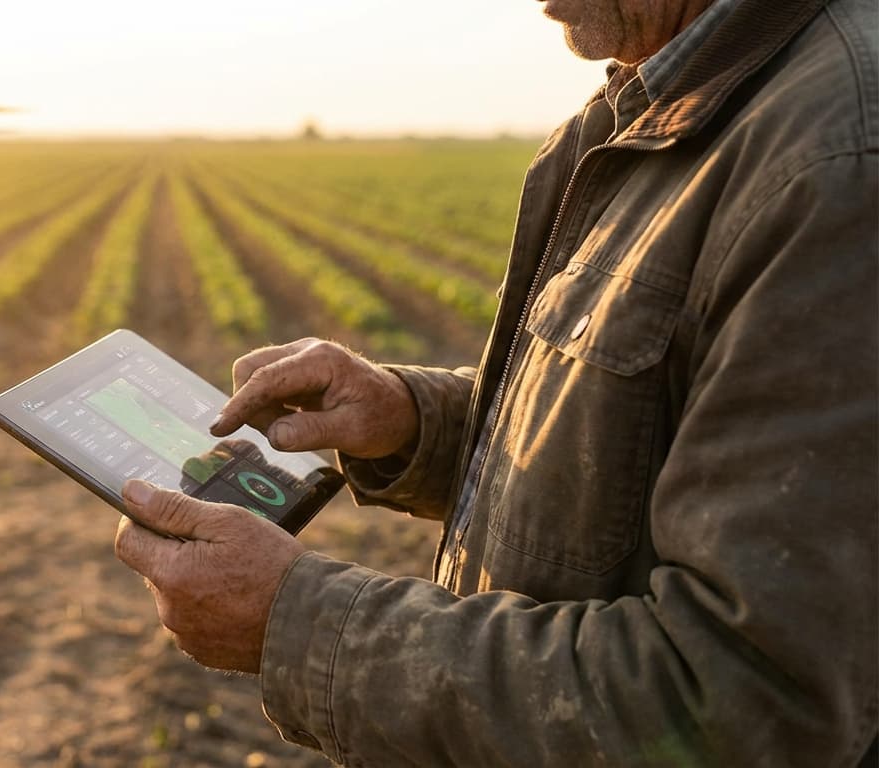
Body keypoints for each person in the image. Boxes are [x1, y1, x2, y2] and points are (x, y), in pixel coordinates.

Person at [114, 0, 879, 764]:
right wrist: (414, 419)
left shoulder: (836, 161)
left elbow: (743, 706)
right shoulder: (667, 98)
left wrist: (301, 623)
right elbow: (646, 435)